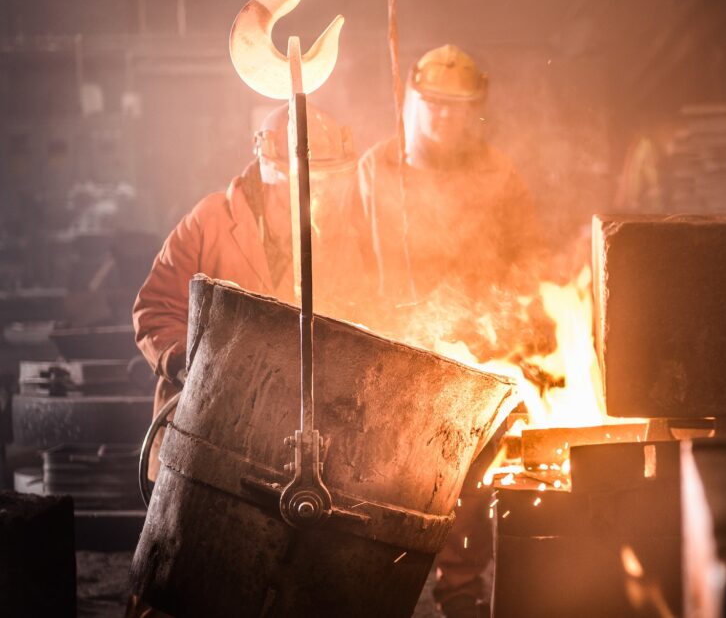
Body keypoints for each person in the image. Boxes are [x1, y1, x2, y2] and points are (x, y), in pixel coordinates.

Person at [349, 45, 548, 618]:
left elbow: (527, 254)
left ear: (474, 111)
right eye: (431, 103)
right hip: (397, 350)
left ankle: (460, 593)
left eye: (455, 107)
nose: (442, 116)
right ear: (411, 100)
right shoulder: (377, 168)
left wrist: (526, 333)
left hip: (477, 354)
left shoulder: (497, 173)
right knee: (391, 485)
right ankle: (384, 593)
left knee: (472, 484)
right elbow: (352, 254)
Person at [132, 103, 359, 480]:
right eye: (304, 183)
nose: (315, 195)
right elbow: (155, 309)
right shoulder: (211, 221)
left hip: (286, 441)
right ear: (270, 173)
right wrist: (189, 368)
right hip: (202, 429)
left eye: (324, 182)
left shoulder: (337, 239)